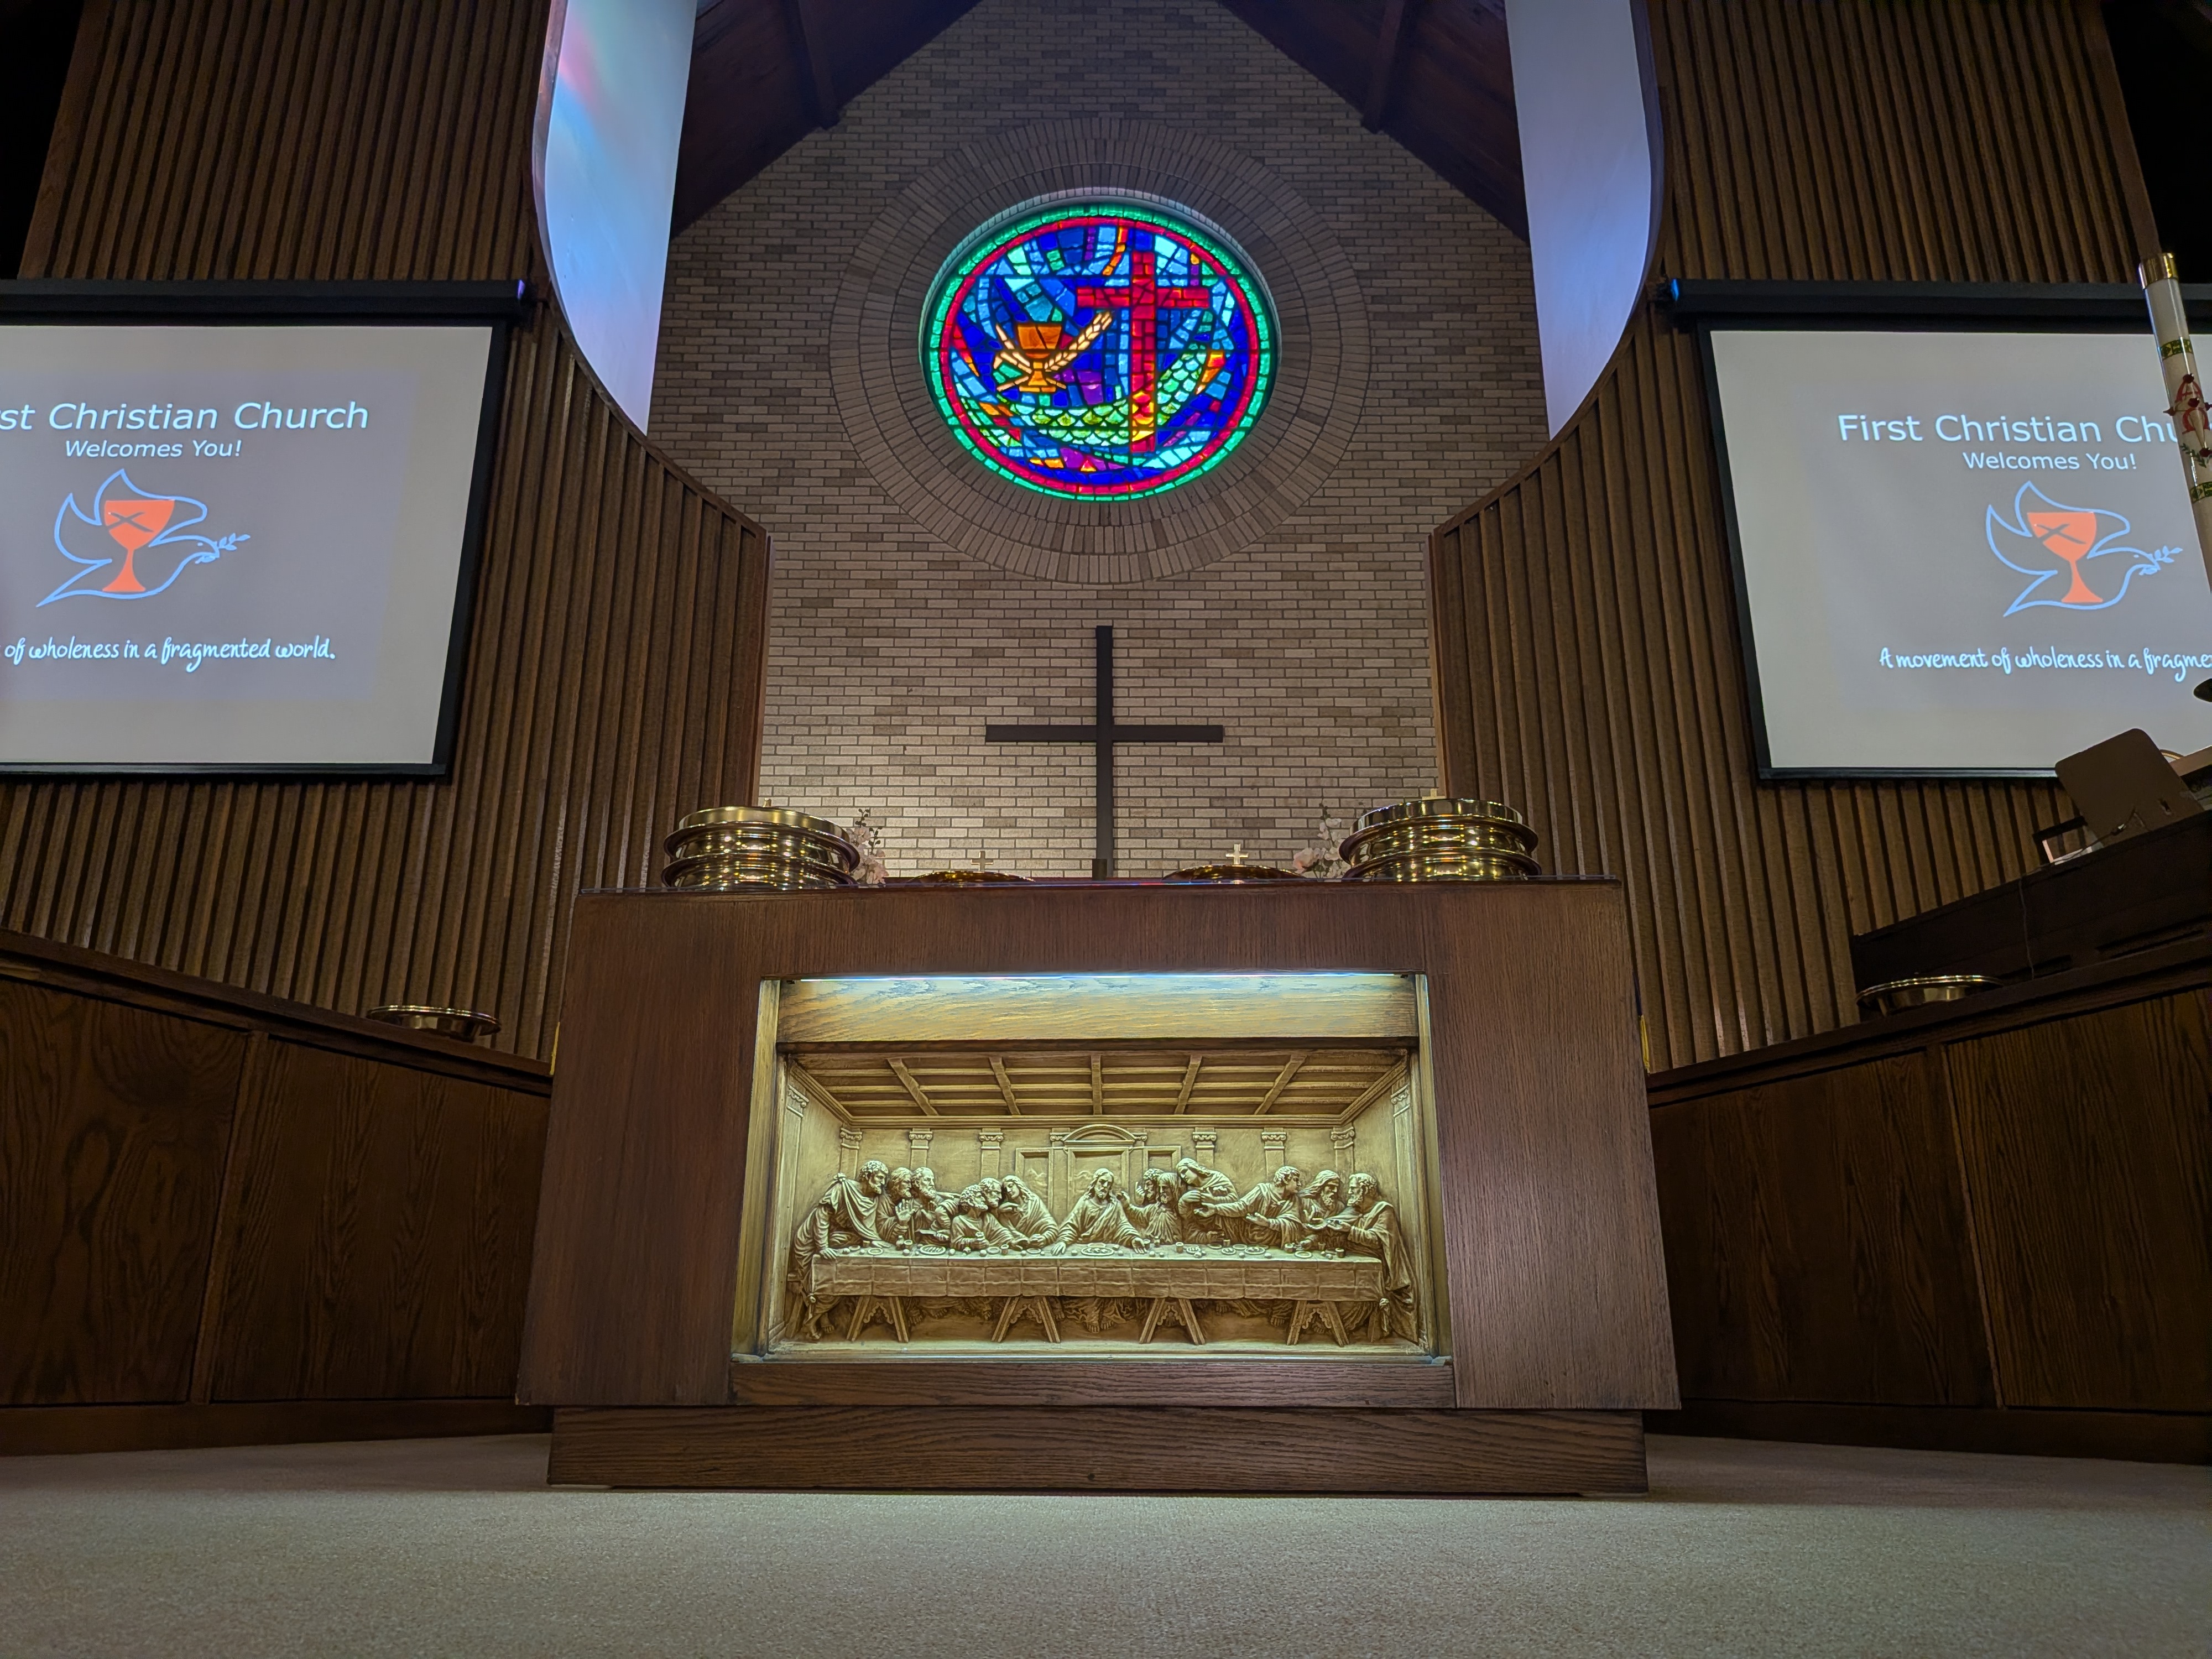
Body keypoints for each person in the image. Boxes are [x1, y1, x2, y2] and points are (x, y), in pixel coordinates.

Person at [786, 1160, 890, 1334]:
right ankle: (813, 1319)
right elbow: (822, 1215)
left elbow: (867, 1230)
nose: (883, 1183)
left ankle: (821, 1314)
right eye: (880, 1177)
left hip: (835, 1239)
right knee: (831, 1276)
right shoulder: (843, 1188)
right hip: (812, 1240)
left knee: (842, 1276)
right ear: (868, 1176)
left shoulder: (872, 1199)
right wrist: (822, 1246)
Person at [1317, 1171, 1415, 1339]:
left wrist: (1350, 1230)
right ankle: (1326, 1320)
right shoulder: (1354, 1210)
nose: (1349, 1193)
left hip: (1379, 1269)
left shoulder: (1384, 1211)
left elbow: (1377, 1241)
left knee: (1353, 1290)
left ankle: (1340, 1324)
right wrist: (1323, 1225)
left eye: (1353, 1189)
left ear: (1364, 1191)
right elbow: (1336, 1223)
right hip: (1354, 1262)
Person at [1197, 1165, 1305, 1249]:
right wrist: (1216, 1209)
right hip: (1251, 1239)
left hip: (1275, 1242)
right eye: (1295, 1180)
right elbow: (1241, 1208)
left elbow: (1293, 1225)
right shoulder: (1262, 1191)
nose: (1299, 1184)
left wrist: (1268, 1223)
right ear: (1285, 1180)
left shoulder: (1293, 1199)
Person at [1051, 1167, 1149, 1249]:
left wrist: (1133, 1239)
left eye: (1109, 1183)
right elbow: (1072, 1226)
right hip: (1084, 1249)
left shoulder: (1114, 1205)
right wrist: (1063, 1241)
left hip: (1109, 1250)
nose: (1105, 1186)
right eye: (1102, 1182)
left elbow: (1122, 1227)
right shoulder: (1085, 1202)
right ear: (1094, 1183)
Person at [1123, 1167, 1184, 1246]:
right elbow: (1139, 1215)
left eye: (1164, 1188)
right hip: (1152, 1247)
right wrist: (1128, 1205)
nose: (1161, 1191)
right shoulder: (1154, 1208)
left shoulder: (1181, 1210)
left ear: (1174, 1189)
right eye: (1160, 1188)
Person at [995, 1173, 1057, 1246]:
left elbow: (1052, 1227)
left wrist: (1044, 1238)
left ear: (1018, 1185)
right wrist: (998, 1212)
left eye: (1011, 1186)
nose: (1008, 1190)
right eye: (1005, 1189)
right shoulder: (1005, 1210)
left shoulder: (1034, 1202)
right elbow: (1004, 1233)